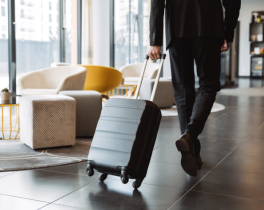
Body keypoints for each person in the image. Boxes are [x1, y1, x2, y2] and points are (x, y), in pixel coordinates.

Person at [148, 0, 241, 176]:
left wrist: (155, 39)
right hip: (209, 26)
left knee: (183, 91)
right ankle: (190, 136)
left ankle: (193, 151)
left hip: (176, 28)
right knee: (208, 85)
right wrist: (227, 33)